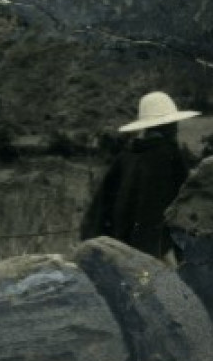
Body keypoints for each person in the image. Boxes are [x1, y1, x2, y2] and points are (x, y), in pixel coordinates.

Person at [80, 91, 199, 265]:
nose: (177, 127)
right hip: (159, 253)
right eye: (174, 123)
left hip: (121, 253)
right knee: (172, 290)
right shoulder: (170, 155)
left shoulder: (127, 156)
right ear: (168, 126)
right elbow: (187, 203)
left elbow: (102, 207)